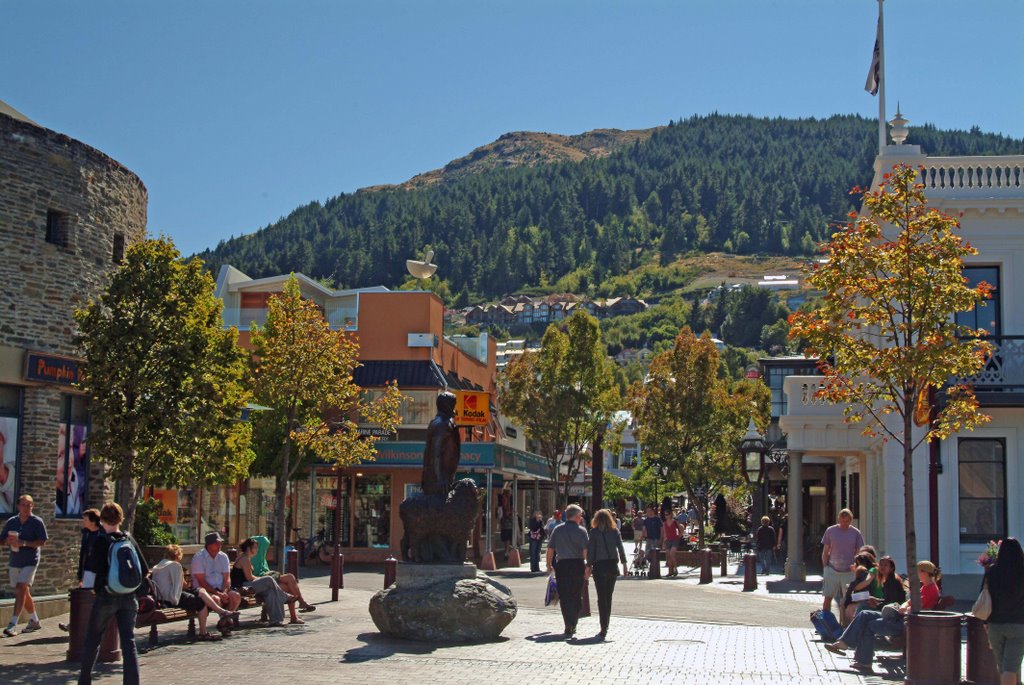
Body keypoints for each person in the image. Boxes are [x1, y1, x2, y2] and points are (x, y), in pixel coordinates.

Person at [825, 560, 941, 673]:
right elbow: (908, 602)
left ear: (924, 572)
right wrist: (904, 606)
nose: (915, 575)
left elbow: (916, 608)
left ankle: (863, 661)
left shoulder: (931, 589)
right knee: (864, 614)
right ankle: (845, 644)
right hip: (900, 617)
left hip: (906, 623)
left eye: (917, 572)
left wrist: (904, 608)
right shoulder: (924, 587)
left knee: (868, 625)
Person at [78, 502, 148, 685]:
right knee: (128, 642)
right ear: (120, 518)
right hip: (129, 597)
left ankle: (84, 680)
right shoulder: (129, 539)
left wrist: (90, 589)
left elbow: (91, 571)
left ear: (101, 520)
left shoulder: (101, 540)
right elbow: (145, 569)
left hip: (106, 596)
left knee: (93, 639)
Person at [150, 544, 237, 641]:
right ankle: (204, 632)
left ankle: (223, 612)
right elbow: (180, 586)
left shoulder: (159, 565)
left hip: (162, 598)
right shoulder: (174, 565)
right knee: (200, 602)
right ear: (177, 555)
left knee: (201, 591)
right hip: (171, 598)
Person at [2, 494, 48, 636]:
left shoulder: (37, 522)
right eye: (24, 505)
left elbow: (42, 541)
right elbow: (1, 540)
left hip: (31, 559)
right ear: (18, 506)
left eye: (29, 505)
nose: (27, 508)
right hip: (15, 559)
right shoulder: (12, 522)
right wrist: (8, 541)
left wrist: (24, 543)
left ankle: (12, 624)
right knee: (23, 590)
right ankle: (34, 620)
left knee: (21, 587)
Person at [233, 538, 301, 625]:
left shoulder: (246, 558)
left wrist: (261, 578)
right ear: (248, 548)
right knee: (269, 579)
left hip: (248, 585)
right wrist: (262, 579)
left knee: (271, 592)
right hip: (243, 587)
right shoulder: (244, 559)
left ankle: (276, 620)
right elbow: (249, 578)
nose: (257, 549)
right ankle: (285, 597)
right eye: (255, 547)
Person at [546, 504, 589, 639]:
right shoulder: (582, 531)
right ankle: (573, 622)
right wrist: (587, 565)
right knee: (576, 594)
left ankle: (567, 624)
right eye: (580, 516)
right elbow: (585, 551)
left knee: (564, 595)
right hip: (577, 564)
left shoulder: (558, 530)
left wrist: (548, 564)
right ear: (576, 516)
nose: (581, 518)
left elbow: (550, 549)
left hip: (562, 564)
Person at [984, 538, 1024, 685]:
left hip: (996, 624)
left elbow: (984, 595)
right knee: (1010, 668)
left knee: (1003, 667)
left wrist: (985, 622)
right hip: (1019, 624)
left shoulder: (992, 571)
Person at [586, 509, 628, 639]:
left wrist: (589, 565)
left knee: (601, 597)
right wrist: (624, 563)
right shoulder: (615, 531)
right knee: (608, 597)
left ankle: (603, 626)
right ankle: (606, 625)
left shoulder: (594, 532)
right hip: (612, 566)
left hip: (599, 566)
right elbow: (620, 547)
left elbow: (591, 550)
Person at [190, 531, 241, 634]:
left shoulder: (223, 556)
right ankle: (226, 622)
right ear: (209, 544)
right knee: (216, 599)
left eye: (220, 543)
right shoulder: (199, 557)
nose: (220, 545)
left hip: (221, 588)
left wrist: (225, 591)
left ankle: (223, 622)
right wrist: (218, 594)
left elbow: (227, 578)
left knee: (236, 596)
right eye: (217, 543)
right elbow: (201, 582)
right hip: (205, 591)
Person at [248, 534, 315, 612]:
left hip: (268, 579)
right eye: (264, 547)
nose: (266, 549)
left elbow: (264, 572)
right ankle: (296, 613)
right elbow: (252, 577)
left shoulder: (261, 558)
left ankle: (301, 603)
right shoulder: (249, 559)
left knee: (290, 577)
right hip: (260, 584)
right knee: (289, 587)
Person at [820, 509, 864, 623]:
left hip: (849, 571)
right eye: (842, 521)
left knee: (847, 599)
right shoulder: (830, 531)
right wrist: (825, 567)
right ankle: (826, 622)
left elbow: (859, 552)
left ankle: (845, 623)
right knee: (828, 596)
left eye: (847, 521)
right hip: (832, 569)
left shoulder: (856, 533)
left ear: (851, 520)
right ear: (839, 519)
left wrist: (856, 567)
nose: (844, 524)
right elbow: (825, 551)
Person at [841, 551, 877, 622]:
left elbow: (862, 585)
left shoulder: (868, 571)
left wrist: (852, 587)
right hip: (867, 595)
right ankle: (846, 627)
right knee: (845, 602)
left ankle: (850, 627)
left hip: (870, 596)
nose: (854, 565)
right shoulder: (866, 571)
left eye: (856, 563)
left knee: (847, 602)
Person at [661, 511, 681, 577]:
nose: (666, 516)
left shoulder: (675, 522)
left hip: (674, 539)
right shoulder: (664, 523)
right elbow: (664, 533)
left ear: (670, 515)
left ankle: (675, 569)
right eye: (665, 515)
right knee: (668, 556)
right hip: (668, 540)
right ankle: (670, 571)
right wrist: (663, 542)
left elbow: (680, 529)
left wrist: (679, 536)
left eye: (667, 514)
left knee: (672, 554)